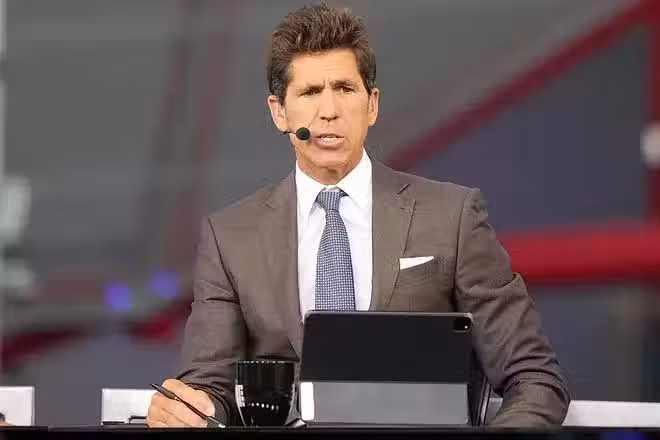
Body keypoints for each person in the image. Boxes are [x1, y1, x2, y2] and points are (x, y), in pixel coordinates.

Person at [146, 3, 569, 428]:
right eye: (310, 93)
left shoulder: (452, 217)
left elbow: (534, 378)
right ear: (279, 112)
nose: (329, 110)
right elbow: (209, 389)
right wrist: (189, 409)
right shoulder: (230, 237)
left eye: (345, 88)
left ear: (372, 105)